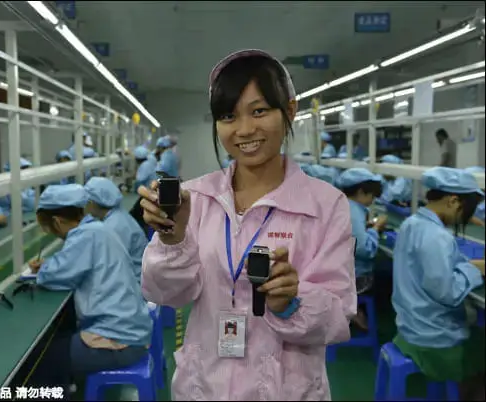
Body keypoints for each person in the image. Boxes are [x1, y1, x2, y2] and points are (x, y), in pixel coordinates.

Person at [137, 49, 356, 400]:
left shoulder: (326, 205)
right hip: (204, 386)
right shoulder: (195, 198)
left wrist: (291, 300)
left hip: (287, 389)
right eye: (228, 116)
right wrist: (173, 238)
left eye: (259, 111)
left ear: (290, 110)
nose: (244, 130)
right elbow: (164, 294)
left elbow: (338, 316)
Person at [28, 184, 152, 395]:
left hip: (119, 341)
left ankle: (63, 387)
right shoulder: (97, 229)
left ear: (57, 222)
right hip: (132, 331)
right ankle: (69, 386)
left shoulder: (84, 236)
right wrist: (53, 263)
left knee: (40, 362)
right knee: (59, 342)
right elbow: (73, 263)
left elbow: (54, 276)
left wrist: (45, 268)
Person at [391, 167, 485, 401]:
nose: (464, 219)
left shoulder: (412, 223)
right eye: (465, 211)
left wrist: (470, 264)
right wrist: (473, 270)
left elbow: (434, 266)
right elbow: (449, 293)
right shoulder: (437, 237)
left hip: (410, 326)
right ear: (454, 201)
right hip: (433, 341)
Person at [337, 168, 387, 330]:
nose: (372, 200)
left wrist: (366, 229)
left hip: (337, 271)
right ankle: (354, 310)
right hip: (353, 279)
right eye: (371, 195)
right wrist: (376, 228)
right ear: (360, 192)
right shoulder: (354, 212)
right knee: (386, 277)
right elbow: (366, 250)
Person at [83, 177, 148, 284]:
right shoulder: (118, 215)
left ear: (92, 203)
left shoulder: (113, 227)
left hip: (135, 285)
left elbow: (103, 265)